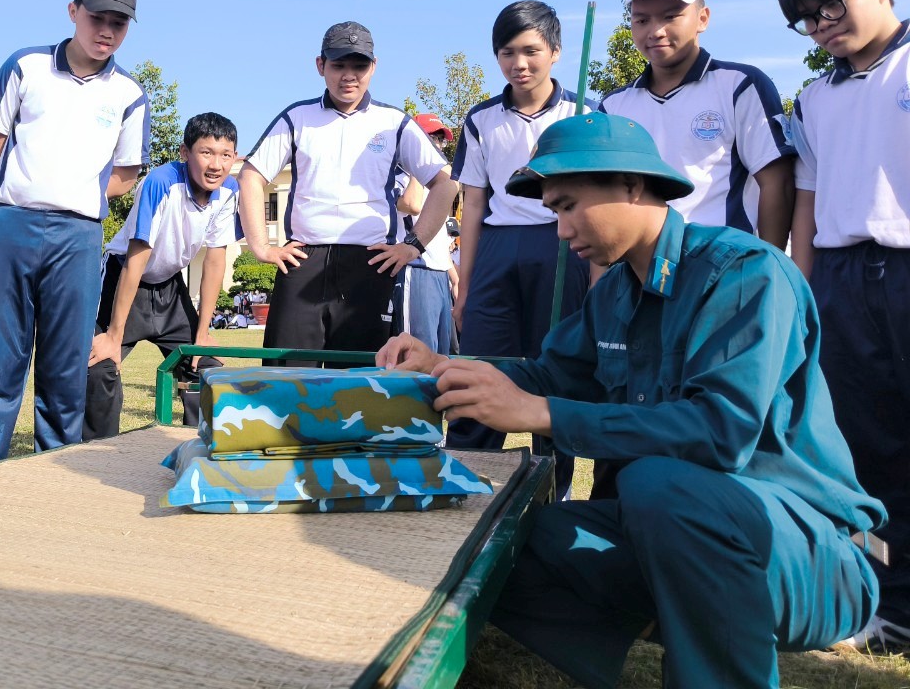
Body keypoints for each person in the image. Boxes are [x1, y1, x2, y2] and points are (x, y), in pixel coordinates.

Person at [378, 112, 884, 689]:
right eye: (554, 212)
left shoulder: (744, 272)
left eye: (568, 205)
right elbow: (548, 376)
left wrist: (541, 415)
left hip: (812, 556)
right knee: (501, 544)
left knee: (656, 483)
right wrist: (444, 367)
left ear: (632, 186)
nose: (562, 231)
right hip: (682, 535)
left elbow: (720, 432)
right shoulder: (615, 292)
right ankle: (689, 623)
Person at [0, 0, 148, 466]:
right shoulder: (26, 67)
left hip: (79, 235)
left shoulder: (128, 95)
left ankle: (56, 471)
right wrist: (34, 183)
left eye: (119, 24)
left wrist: (73, 192)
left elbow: (126, 172)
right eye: (97, 18)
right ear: (72, 12)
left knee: (66, 366)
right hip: (11, 224)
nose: (106, 31)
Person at [779, 0, 910, 653]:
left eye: (833, 2)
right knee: (867, 444)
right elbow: (807, 197)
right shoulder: (814, 98)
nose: (823, 22)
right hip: (841, 277)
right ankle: (889, 606)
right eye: (806, 15)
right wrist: (800, 291)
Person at [238, 22, 456, 355]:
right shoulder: (298, 117)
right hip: (303, 260)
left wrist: (413, 246)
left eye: (359, 65)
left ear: (374, 66)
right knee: (290, 379)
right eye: (339, 64)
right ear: (320, 65)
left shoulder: (393, 122)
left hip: (371, 264)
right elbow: (251, 175)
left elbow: (445, 183)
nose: (349, 75)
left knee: (362, 382)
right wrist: (261, 247)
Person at [450, 2, 588, 497]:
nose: (519, 64)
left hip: (565, 246)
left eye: (531, 51)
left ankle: (556, 490)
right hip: (498, 246)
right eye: (507, 53)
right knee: (481, 365)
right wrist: (464, 287)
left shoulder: (587, 113)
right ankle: (465, 481)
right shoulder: (481, 118)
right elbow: (472, 200)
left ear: (555, 52)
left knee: (556, 369)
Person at [599, 0, 794, 249]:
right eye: (641, 19)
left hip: (724, 265)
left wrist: (771, 267)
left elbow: (776, 183)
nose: (656, 31)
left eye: (670, 16)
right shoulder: (614, 106)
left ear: (702, 18)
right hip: (639, 268)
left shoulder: (739, 85)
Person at [84, 112, 239, 436]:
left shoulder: (229, 191)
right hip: (124, 280)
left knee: (205, 366)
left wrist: (203, 332)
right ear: (185, 153)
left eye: (225, 155)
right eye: (206, 152)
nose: (216, 165)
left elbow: (214, 259)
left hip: (170, 288)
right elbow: (137, 258)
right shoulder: (160, 183)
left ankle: (195, 448)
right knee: (99, 366)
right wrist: (113, 335)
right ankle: (98, 451)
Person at [391, 113, 458, 354]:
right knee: (418, 354)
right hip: (416, 270)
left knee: (443, 356)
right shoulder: (400, 175)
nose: (438, 145)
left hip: (440, 273)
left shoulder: (437, 185)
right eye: (431, 138)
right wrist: (417, 166)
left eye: (441, 140)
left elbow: (440, 237)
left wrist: (454, 275)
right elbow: (411, 205)